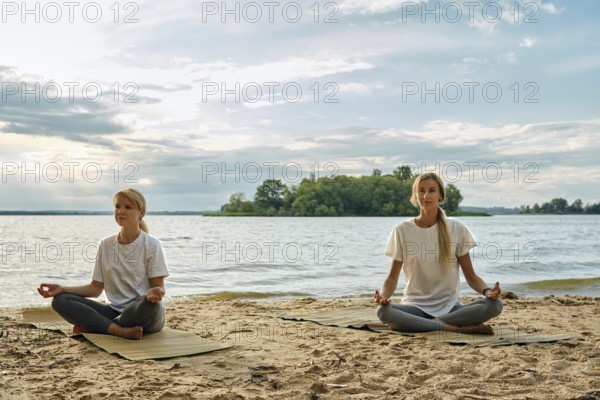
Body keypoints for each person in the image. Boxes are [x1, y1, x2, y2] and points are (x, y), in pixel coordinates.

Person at [375, 172, 503, 335]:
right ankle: (450, 327)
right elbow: (392, 278)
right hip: (414, 307)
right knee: (383, 311)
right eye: (421, 190)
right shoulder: (402, 231)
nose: (426, 195)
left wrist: (487, 291)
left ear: (440, 196)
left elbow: (471, 277)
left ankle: (422, 325)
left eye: (431, 190)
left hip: (451, 308)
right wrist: (383, 297)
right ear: (415, 195)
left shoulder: (457, 228)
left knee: (495, 305)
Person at [38, 188, 168, 340]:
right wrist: (62, 288)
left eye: (128, 207)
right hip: (114, 311)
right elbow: (95, 289)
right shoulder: (106, 245)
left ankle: (98, 326)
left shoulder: (152, 245)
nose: (121, 211)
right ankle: (117, 330)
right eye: (117, 206)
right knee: (60, 300)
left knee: (149, 304)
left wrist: (155, 293)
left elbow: (160, 289)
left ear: (141, 212)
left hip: (144, 312)